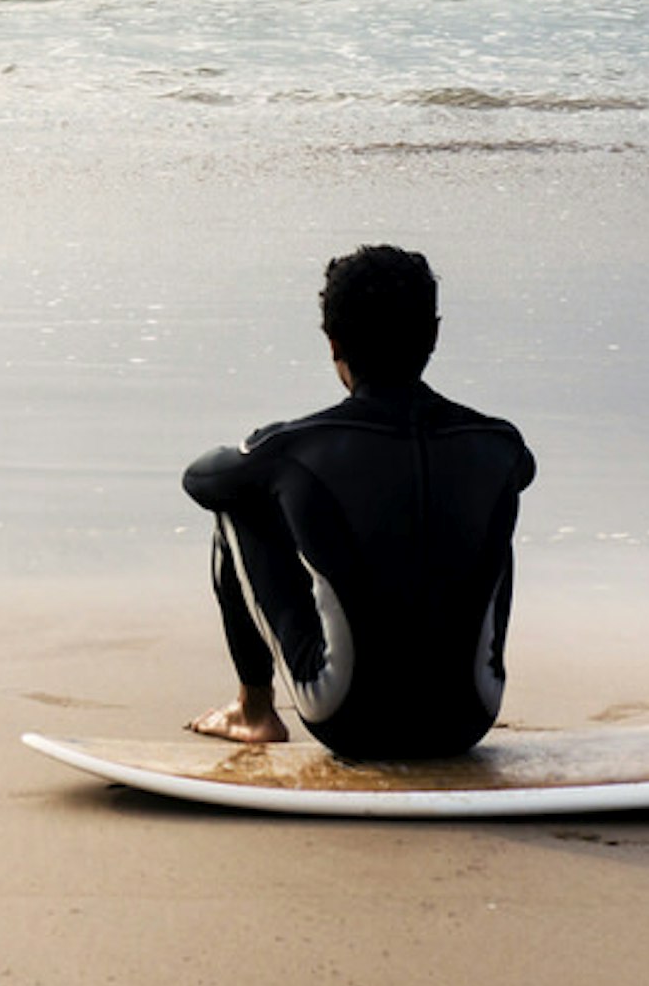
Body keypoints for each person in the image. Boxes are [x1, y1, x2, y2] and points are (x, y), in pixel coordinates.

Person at [180, 245, 535, 761]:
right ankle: (457, 675)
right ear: (434, 334)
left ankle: (253, 710)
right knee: (481, 503)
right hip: (467, 718)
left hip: (348, 720)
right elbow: (523, 471)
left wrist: (272, 468)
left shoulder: (295, 448)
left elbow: (201, 480)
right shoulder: (500, 445)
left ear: (333, 344)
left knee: (239, 504)